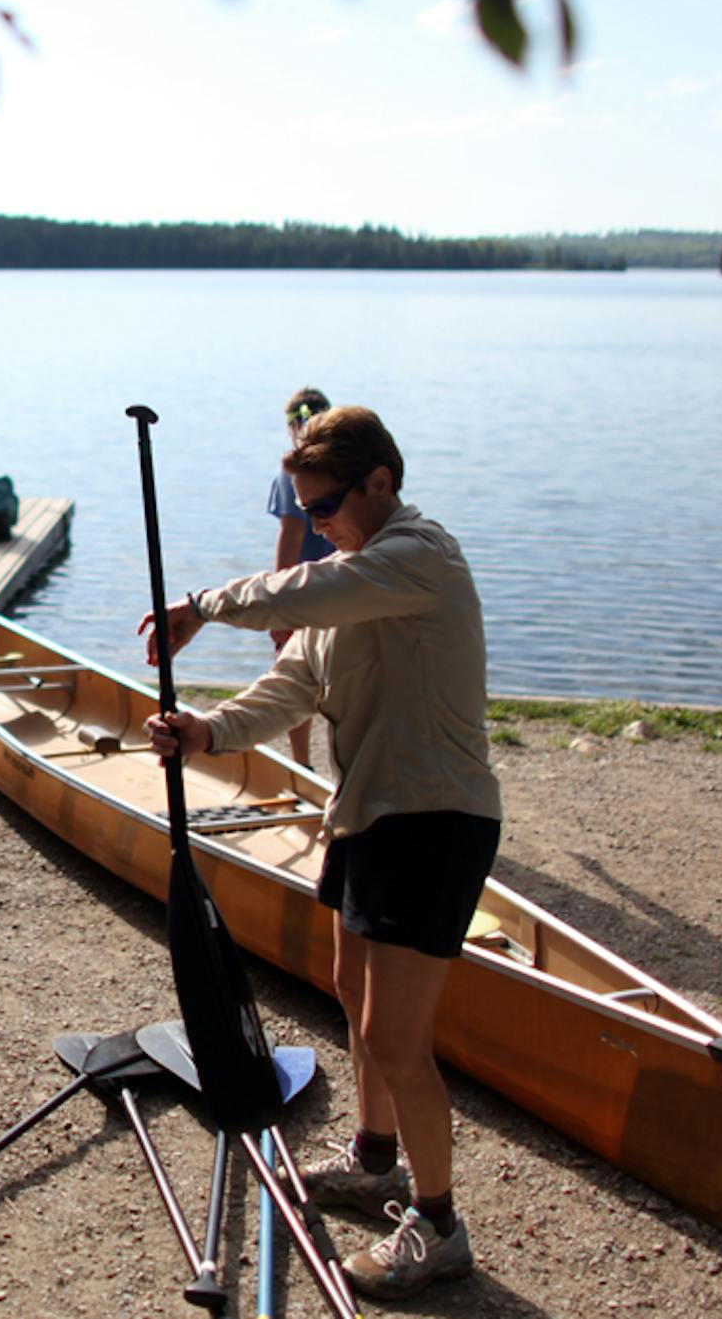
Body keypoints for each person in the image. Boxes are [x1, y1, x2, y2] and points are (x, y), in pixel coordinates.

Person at [138, 404, 501, 1301]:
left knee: (393, 1035)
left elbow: (294, 596)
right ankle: (376, 1161)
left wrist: (201, 607)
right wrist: (207, 730)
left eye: (327, 505)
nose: (314, 528)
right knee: (351, 992)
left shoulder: (421, 557)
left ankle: (440, 1225)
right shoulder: (347, 583)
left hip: (435, 820)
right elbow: (292, 684)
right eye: (303, 512)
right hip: (368, 814)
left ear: (383, 481)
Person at [267, 385, 336, 770]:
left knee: (296, 679)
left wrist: (278, 603)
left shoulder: (291, 471)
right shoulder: (343, 468)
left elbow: (290, 534)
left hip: (304, 588)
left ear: (293, 426)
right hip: (341, 585)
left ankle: (301, 765)